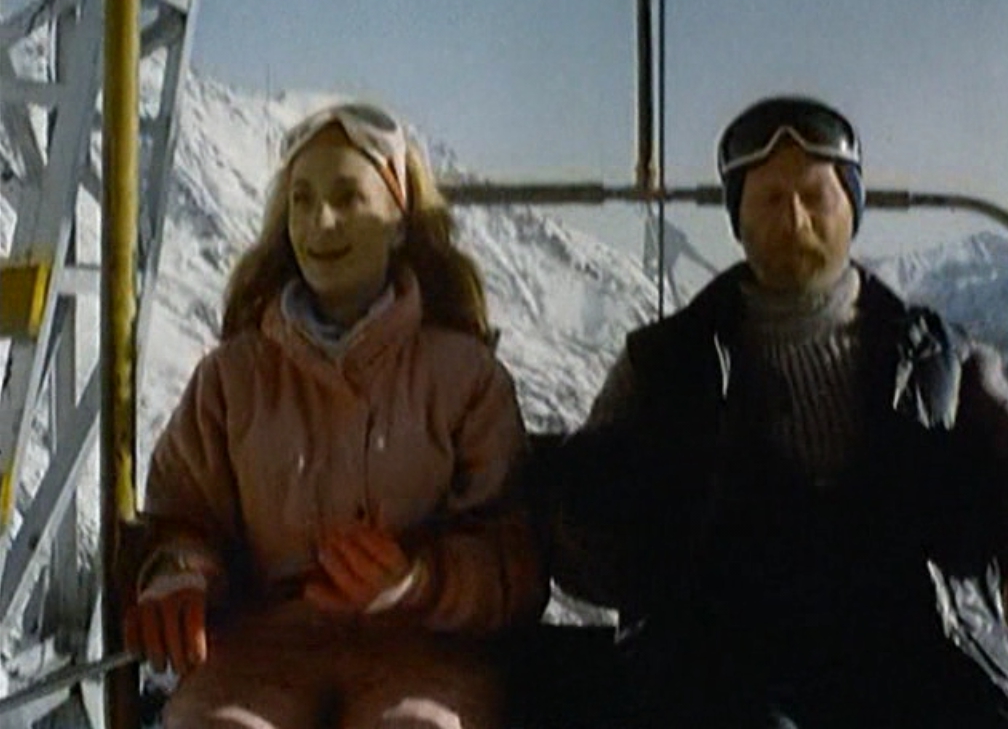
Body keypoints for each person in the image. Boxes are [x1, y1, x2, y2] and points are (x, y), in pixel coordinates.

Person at [549, 95, 1008, 727]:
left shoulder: (942, 364)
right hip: (721, 660)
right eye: (767, 199)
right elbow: (591, 561)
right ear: (738, 218)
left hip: (898, 655)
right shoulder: (664, 367)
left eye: (816, 195)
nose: (794, 217)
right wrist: (599, 516)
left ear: (853, 206)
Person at [123, 100, 548, 729]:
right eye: (302, 199)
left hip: (423, 652)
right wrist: (181, 576)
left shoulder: (464, 379)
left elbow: (514, 556)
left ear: (400, 220)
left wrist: (421, 582)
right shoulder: (234, 378)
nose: (321, 220)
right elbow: (182, 516)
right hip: (262, 654)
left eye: (348, 197)